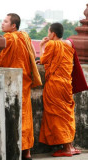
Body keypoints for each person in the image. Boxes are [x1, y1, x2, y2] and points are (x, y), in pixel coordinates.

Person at [0, 13, 42, 160]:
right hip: (25, 82)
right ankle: (27, 152)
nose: (2, 24)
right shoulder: (25, 37)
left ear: (13, 25)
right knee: (26, 116)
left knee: (15, 116)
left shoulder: (9, 38)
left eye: (5, 21)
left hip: (11, 82)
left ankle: (14, 151)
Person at [37, 23, 81, 157]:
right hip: (67, 84)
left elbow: (43, 59)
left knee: (58, 115)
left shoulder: (51, 45)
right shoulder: (68, 44)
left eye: (49, 32)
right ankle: (71, 146)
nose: (48, 35)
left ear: (53, 34)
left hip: (55, 84)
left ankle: (66, 148)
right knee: (67, 113)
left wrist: (41, 46)